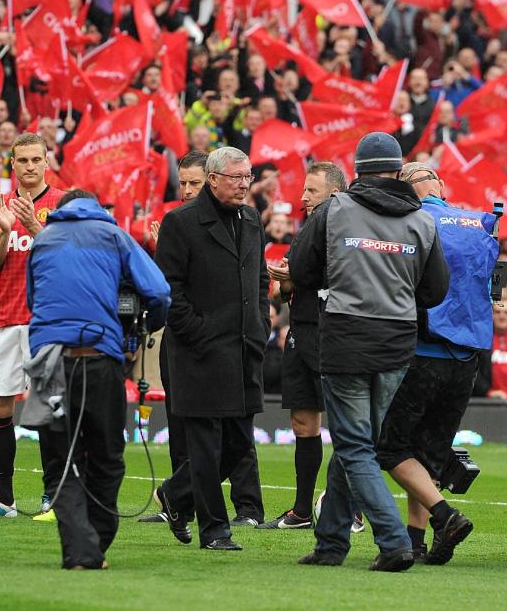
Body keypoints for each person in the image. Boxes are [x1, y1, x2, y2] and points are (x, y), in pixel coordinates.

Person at [289, 133, 449, 572]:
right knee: (355, 444)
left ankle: (394, 541)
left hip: (346, 336)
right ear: (398, 171)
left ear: (357, 171)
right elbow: (436, 290)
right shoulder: (422, 220)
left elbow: (300, 269)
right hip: (397, 341)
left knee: (354, 446)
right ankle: (331, 544)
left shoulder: (334, 211)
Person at [26, 189, 170, 570]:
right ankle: (93, 546)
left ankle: (80, 548)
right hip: (99, 357)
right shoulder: (114, 235)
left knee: (60, 461)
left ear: (60, 210)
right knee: (107, 458)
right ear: (96, 208)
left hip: (48, 363)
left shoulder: (43, 238)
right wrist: (140, 334)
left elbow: (32, 300)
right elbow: (158, 291)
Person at [376, 162, 498, 565]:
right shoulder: (479, 222)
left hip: (423, 349)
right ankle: (415, 540)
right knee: (425, 455)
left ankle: (445, 516)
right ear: (440, 186)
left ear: (406, 190)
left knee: (390, 448)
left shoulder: (412, 221)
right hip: (467, 357)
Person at [142, 150, 265, 541]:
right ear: (213, 179)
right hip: (199, 352)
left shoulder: (251, 218)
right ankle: (215, 530)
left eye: (248, 176)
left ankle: (174, 495)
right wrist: (198, 333)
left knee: (238, 443)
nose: (244, 184)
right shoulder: (181, 223)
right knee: (207, 445)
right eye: (236, 177)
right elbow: (167, 291)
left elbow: (259, 278)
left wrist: (258, 324)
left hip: (245, 348)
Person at [0, 133, 66, 519]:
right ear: (13, 164)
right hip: (6, 317)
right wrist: (7, 230)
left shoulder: (61, 203)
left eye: (36, 159)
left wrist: (34, 228)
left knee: (49, 409)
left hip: (46, 321)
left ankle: (53, 497)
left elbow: (67, 256)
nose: (29, 166)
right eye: (21, 160)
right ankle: (4, 500)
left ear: (46, 161)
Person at [258, 161, 346, 530]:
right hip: (301, 329)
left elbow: (339, 276)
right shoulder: (306, 227)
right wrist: (287, 280)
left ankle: (347, 508)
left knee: (345, 425)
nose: (303, 196)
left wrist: (294, 275)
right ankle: (302, 510)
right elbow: (285, 290)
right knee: (302, 422)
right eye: (305, 190)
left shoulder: (344, 228)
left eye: (312, 191)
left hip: (334, 332)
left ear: (335, 194)